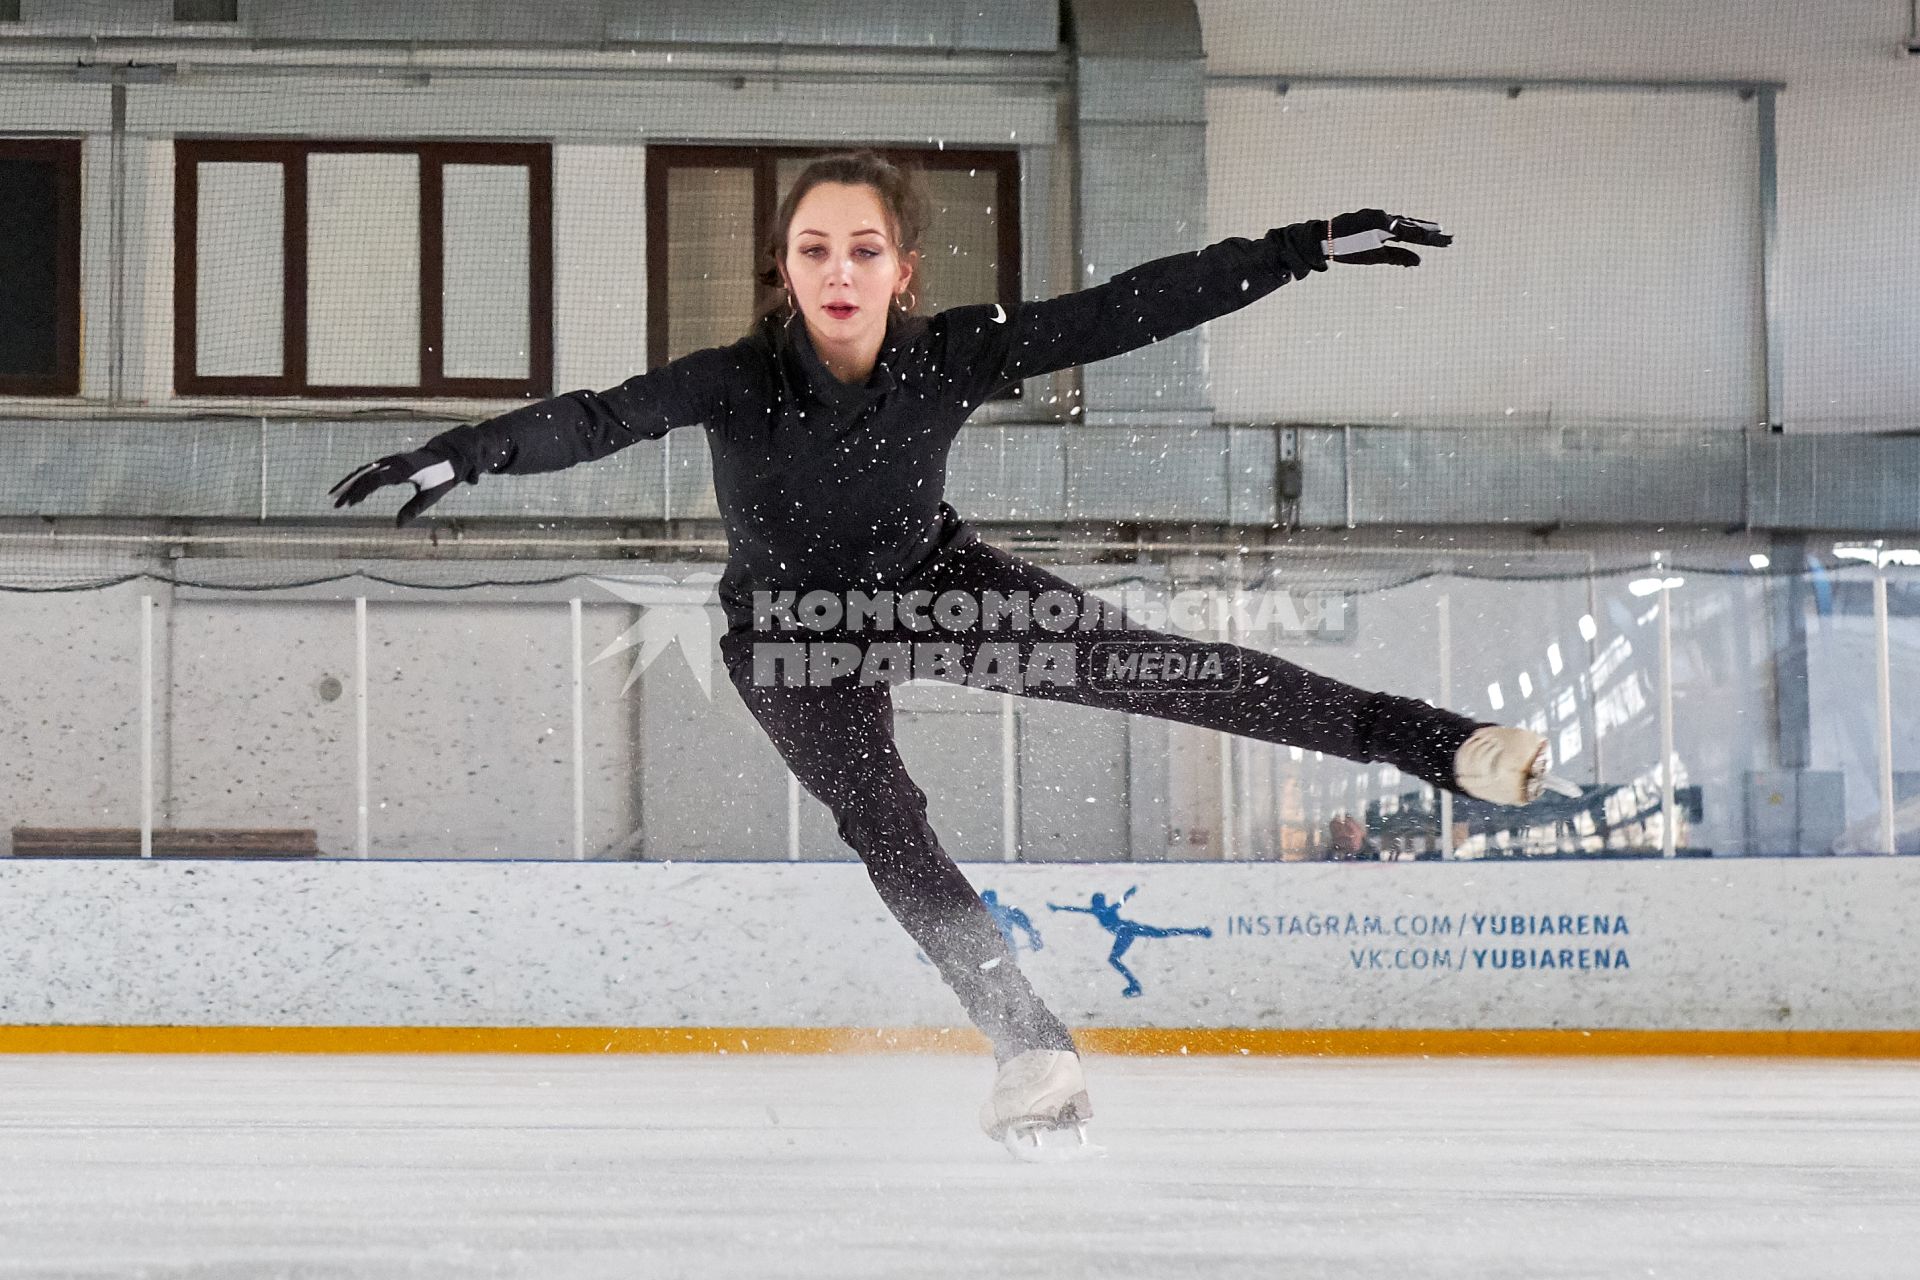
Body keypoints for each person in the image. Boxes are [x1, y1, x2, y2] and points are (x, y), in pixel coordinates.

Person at [331, 150, 1551, 1158]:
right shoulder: (734, 380)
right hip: (791, 635)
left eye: (864, 248)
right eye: (815, 248)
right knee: (884, 814)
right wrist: (471, 449)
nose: (839, 269)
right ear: (786, 267)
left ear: (902, 271)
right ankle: (1028, 1039)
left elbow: (1128, 308)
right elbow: (598, 417)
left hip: (934, 584)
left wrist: (1289, 250)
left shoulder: (951, 353)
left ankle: (1443, 744)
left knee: (1160, 666)